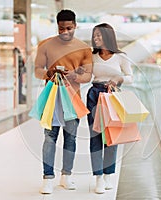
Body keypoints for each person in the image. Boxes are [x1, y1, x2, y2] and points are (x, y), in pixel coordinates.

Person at [34, 9, 93, 194]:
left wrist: (74, 75)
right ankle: (48, 178)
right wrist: (47, 73)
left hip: (73, 100)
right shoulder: (45, 45)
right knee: (49, 137)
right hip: (52, 99)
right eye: (61, 29)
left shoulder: (84, 48)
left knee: (71, 139)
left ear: (75, 26)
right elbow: (36, 69)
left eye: (69, 28)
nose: (65, 32)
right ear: (57, 27)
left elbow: (88, 75)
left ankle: (66, 176)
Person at [86, 23, 133, 194]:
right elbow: (86, 75)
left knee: (112, 136)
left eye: (99, 35)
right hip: (94, 95)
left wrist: (118, 79)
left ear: (108, 36)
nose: (96, 38)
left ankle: (108, 174)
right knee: (95, 135)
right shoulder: (92, 56)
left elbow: (130, 77)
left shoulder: (121, 56)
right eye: (94, 36)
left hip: (113, 94)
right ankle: (98, 176)